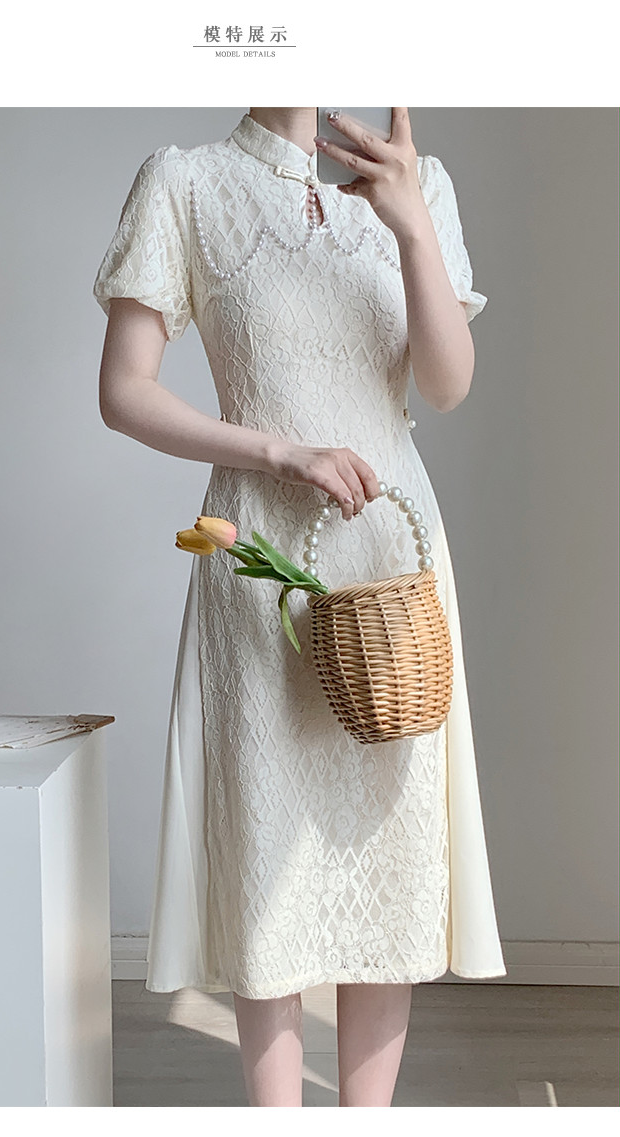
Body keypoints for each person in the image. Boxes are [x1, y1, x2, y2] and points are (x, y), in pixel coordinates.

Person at [93, 107, 506, 1107]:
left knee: (389, 863)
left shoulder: (422, 184)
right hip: (259, 565)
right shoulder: (187, 183)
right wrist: (279, 451)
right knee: (266, 855)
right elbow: (123, 391)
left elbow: (447, 385)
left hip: (393, 567)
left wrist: (410, 221)